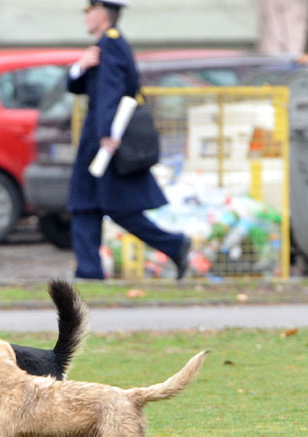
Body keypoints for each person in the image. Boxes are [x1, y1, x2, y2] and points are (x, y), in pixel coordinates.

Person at [67, 0, 190, 280]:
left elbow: (111, 92)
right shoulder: (103, 46)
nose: (86, 17)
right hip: (99, 138)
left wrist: (106, 134)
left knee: (112, 207)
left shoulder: (112, 44)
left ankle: (174, 244)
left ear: (101, 13)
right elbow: (76, 86)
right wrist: (80, 67)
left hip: (106, 141)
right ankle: (89, 272)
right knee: (87, 205)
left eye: (89, 11)